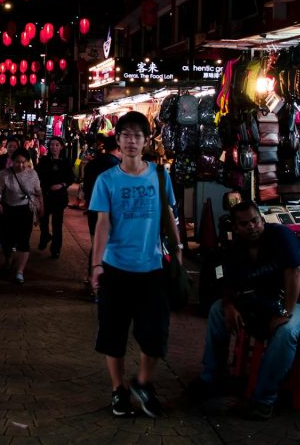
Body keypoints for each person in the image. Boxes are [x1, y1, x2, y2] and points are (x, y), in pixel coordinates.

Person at [189, 201, 300, 420]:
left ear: (261, 219)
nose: (252, 226)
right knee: (217, 311)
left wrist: (286, 313)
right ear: (235, 228)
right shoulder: (234, 248)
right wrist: (229, 305)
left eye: (255, 221)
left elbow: (295, 272)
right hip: (266, 302)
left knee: (286, 331)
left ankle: (263, 401)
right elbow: (228, 282)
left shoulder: (281, 236)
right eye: (244, 224)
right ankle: (211, 378)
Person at [89, 111, 179, 419]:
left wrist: (178, 250)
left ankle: (143, 382)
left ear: (145, 141)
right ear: (118, 140)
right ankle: (119, 389)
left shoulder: (160, 176)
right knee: (113, 334)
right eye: (125, 135)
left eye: (137, 135)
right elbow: (102, 225)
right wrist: (96, 265)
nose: (131, 140)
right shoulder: (106, 180)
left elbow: (168, 214)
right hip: (115, 268)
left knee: (155, 333)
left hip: (152, 268)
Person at [0, 147, 43, 284]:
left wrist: (41, 208)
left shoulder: (32, 174)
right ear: (12, 161)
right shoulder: (6, 174)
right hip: (8, 210)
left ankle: (20, 271)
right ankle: (8, 259)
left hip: (25, 210)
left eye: (23, 162)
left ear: (28, 162)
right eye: (17, 162)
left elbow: (38, 192)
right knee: (6, 240)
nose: (20, 165)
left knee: (23, 241)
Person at [82, 135, 121, 288]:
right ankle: (101, 282)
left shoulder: (92, 164)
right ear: (118, 148)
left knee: (96, 243)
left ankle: (92, 277)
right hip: (111, 212)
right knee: (109, 245)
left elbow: (86, 187)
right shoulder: (117, 167)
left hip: (93, 209)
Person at [35, 136, 75, 258]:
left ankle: (56, 249)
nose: (54, 147)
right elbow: (37, 176)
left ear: (61, 147)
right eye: (52, 144)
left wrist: (61, 185)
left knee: (57, 225)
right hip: (45, 196)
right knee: (43, 221)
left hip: (59, 197)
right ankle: (45, 236)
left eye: (57, 145)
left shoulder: (65, 161)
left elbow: (71, 178)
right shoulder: (44, 160)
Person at [0, 137, 20, 248]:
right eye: (10, 146)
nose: (12, 149)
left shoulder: (22, 160)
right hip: (2, 193)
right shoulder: (1, 159)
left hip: (17, 194)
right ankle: (1, 238)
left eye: (14, 147)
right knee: (1, 217)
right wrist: (3, 172)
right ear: (6, 147)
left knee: (15, 219)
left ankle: (13, 241)